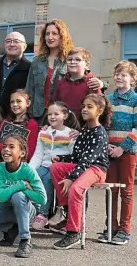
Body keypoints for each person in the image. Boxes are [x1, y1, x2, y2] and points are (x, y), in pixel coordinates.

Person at [49, 94, 112, 250]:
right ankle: (68, 210)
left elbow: (87, 160)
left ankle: (74, 232)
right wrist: (61, 158)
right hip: (82, 166)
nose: (84, 109)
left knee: (76, 188)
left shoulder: (99, 133)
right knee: (55, 167)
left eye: (89, 107)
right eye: (83, 106)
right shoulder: (84, 131)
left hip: (96, 169)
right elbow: (76, 157)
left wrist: (71, 177)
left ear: (99, 111)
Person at [98, 60, 137, 245]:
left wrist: (121, 148)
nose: (119, 77)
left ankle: (124, 230)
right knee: (111, 191)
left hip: (127, 153)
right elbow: (102, 125)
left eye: (124, 75)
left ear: (132, 79)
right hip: (109, 152)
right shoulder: (108, 100)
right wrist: (108, 147)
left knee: (126, 191)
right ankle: (111, 227)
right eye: (117, 74)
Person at [25, 19, 106, 126]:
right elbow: (29, 89)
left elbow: (85, 77)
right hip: (38, 114)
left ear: (62, 36)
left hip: (62, 116)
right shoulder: (37, 61)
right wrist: (27, 113)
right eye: (47, 34)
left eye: (54, 33)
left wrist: (103, 84)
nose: (50, 37)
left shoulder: (70, 59)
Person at [28, 101, 79, 230]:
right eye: (50, 114)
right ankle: (32, 211)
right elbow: (38, 154)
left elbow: (73, 156)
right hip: (44, 165)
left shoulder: (70, 134)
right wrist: (29, 170)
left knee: (48, 178)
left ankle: (44, 214)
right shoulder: (43, 133)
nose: (52, 117)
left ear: (65, 116)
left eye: (56, 114)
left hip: (59, 169)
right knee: (36, 176)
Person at [0, 89, 39, 196]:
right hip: (4, 162)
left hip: (20, 165)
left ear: (28, 103)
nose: (15, 104)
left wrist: (9, 149)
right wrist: (13, 149)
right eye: (12, 102)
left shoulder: (31, 125)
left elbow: (30, 151)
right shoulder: (6, 122)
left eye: (18, 101)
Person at [52, 47, 101, 121]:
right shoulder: (61, 82)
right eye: (69, 59)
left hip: (84, 127)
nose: (72, 62)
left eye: (77, 60)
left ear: (86, 64)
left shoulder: (92, 83)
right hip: (63, 126)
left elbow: (97, 109)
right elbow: (54, 105)